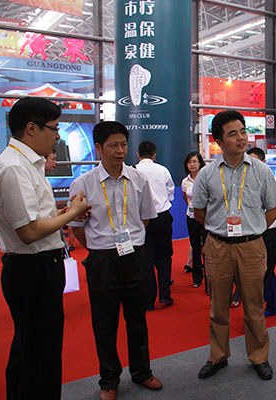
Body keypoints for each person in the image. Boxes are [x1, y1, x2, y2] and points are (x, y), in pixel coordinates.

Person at [0, 97, 89, 400]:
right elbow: (29, 232)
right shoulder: (14, 168)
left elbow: (33, 218)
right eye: (53, 128)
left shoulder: (26, 164)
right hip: (32, 271)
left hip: (38, 268)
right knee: (40, 357)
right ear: (31, 128)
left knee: (29, 349)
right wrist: (72, 214)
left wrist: (62, 213)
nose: (58, 135)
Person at [69, 121, 162, 400]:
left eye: (123, 144)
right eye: (113, 145)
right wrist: (100, 247)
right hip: (102, 261)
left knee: (137, 319)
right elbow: (77, 227)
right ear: (98, 147)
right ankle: (109, 380)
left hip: (135, 256)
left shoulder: (138, 179)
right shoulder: (83, 183)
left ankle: (142, 372)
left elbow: (145, 218)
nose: (120, 150)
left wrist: (128, 241)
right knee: (104, 323)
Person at [192, 110, 276, 381]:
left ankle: (259, 357)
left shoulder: (261, 170)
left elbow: (274, 208)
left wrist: (252, 230)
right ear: (219, 141)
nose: (241, 138)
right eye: (233, 134)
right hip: (218, 246)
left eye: (243, 131)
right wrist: (220, 230)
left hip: (251, 246)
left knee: (254, 306)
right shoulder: (207, 174)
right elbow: (199, 212)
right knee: (218, 307)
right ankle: (218, 356)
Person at [247, 147, 276, 317]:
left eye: (255, 161)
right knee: (259, 270)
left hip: (270, 233)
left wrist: (271, 225)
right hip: (252, 233)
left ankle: (268, 306)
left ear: (264, 162)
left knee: (266, 270)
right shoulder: (247, 183)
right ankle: (272, 304)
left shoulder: (274, 182)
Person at [136, 140, 175, 311]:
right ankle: (165, 294)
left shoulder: (133, 171)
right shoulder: (162, 170)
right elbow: (170, 192)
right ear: (154, 155)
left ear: (138, 155)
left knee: (146, 259)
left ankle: (149, 300)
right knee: (165, 256)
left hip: (142, 219)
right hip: (162, 216)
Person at [181, 151, 207, 290]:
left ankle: (209, 280)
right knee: (195, 246)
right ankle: (197, 277)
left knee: (207, 249)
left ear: (200, 163)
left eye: (195, 161)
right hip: (191, 217)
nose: (192, 164)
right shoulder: (185, 181)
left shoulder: (205, 178)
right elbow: (186, 197)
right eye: (189, 162)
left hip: (206, 217)